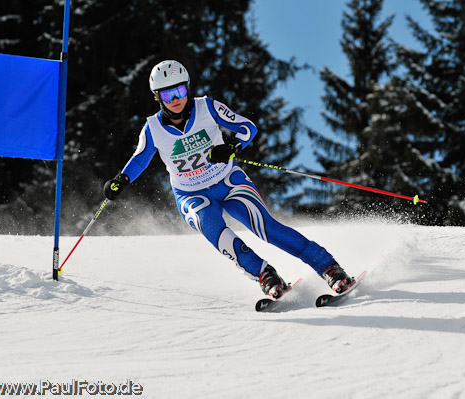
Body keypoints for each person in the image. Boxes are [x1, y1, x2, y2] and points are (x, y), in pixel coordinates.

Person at [104, 60, 355, 299]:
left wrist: (232, 146)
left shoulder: (207, 107)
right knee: (214, 231)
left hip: (228, 181)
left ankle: (329, 267)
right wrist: (121, 180)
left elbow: (248, 127)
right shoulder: (152, 128)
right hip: (191, 194)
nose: (177, 99)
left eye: (180, 90)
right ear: (157, 97)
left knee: (265, 228)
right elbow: (139, 159)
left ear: (187, 87)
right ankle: (265, 276)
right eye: (168, 95)